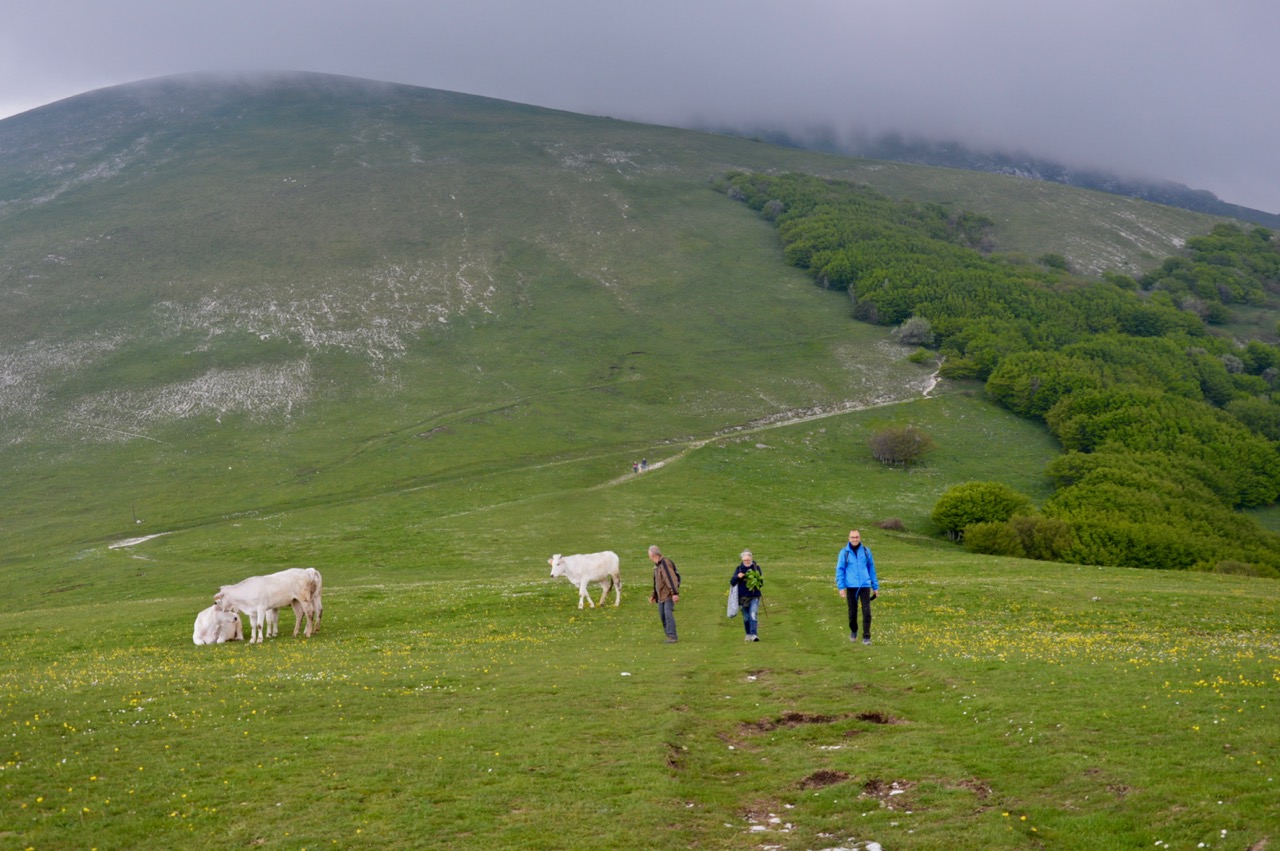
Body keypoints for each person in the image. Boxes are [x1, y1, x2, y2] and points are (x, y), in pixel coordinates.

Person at [836, 529, 878, 644]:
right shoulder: (844, 553)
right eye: (852, 537)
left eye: (857, 537)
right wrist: (841, 587)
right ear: (849, 538)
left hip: (865, 585)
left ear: (860, 538)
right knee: (852, 612)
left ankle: (866, 637)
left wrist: (875, 586)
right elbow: (840, 570)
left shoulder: (866, 551)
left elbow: (871, 569)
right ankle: (854, 630)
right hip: (851, 586)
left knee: (866, 611)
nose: (855, 539)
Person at [648, 545, 680, 643]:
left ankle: (672, 636)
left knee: (667, 614)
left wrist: (674, 593)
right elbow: (657, 583)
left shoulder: (665, 563)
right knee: (662, 615)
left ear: (653, 555)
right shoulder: (657, 566)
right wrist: (654, 595)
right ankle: (669, 635)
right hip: (661, 596)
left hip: (668, 595)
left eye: (649, 554)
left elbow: (670, 578)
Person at [730, 549, 763, 641]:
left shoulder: (756, 568)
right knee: (746, 617)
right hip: (742, 597)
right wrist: (738, 577)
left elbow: (761, 583)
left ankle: (754, 634)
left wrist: (755, 582)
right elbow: (732, 582)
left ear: (751, 558)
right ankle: (748, 634)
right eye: (745, 560)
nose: (746, 562)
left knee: (753, 614)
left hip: (754, 596)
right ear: (742, 560)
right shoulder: (739, 569)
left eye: (748, 560)